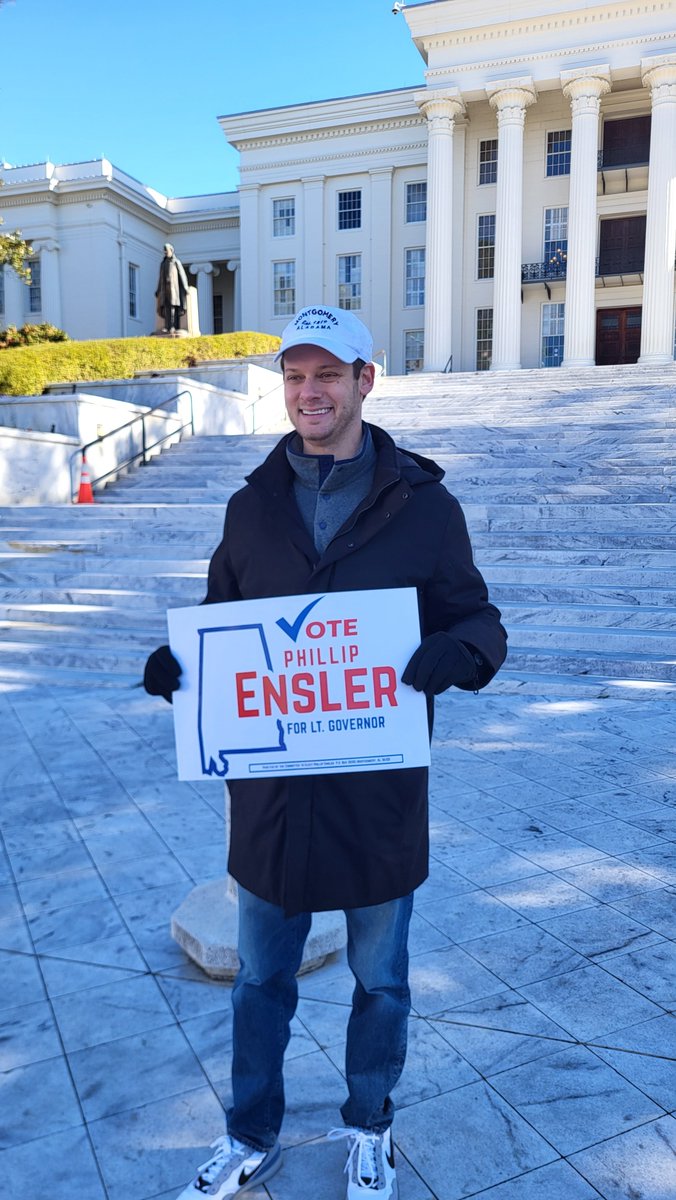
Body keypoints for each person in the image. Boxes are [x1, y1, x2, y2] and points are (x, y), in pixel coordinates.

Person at [143, 305, 507, 1200]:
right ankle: (249, 1133)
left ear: (364, 382)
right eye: (295, 376)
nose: (309, 392)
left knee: (380, 981)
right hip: (272, 803)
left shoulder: (427, 506)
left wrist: (459, 654)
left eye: (328, 375)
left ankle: (369, 1124)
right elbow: (224, 624)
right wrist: (179, 662)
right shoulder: (250, 504)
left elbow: (479, 619)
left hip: (377, 795)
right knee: (260, 981)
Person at [155, 242, 190, 334]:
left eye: (167, 250)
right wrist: (158, 290)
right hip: (164, 290)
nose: (165, 252)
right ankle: (167, 326)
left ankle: (173, 326)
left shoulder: (175, 262)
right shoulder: (163, 263)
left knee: (173, 308)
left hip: (174, 289)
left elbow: (182, 275)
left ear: (171, 250)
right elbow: (160, 278)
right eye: (164, 251)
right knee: (166, 309)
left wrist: (185, 287)